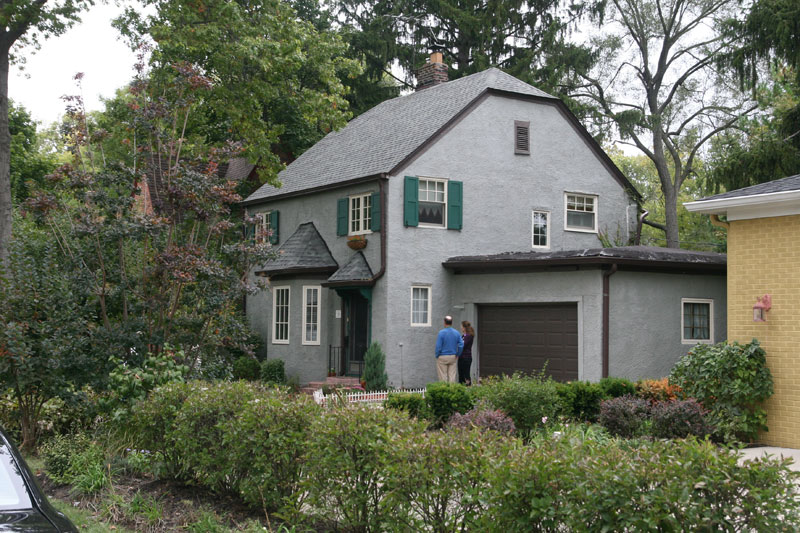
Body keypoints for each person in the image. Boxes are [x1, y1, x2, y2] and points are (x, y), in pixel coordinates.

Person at [435, 316, 463, 382]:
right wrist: (458, 354)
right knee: (452, 376)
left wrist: (437, 355)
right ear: (451, 323)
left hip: (442, 356)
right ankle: (452, 391)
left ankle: (444, 390)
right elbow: (461, 345)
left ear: (444, 322)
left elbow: (438, 346)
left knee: (443, 376)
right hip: (453, 356)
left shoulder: (441, 333)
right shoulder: (456, 332)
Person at [459, 320, 474, 385]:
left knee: (466, 375)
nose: (461, 328)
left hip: (466, 358)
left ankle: (468, 388)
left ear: (464, 327)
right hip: (462, 357)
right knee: (461, 375)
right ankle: (461, 388)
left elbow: (463, 345)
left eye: (462, 326)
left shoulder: (468, 336)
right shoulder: (464, 335)